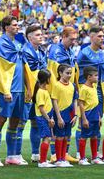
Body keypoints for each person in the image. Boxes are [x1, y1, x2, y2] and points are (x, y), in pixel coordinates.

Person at [0, 16, 27, 166]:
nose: (17, 27)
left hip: (19, 89)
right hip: (8, 90)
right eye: (14, 25)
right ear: (6, 27)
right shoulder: (1, 44)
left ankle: (11, 156)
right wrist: (5, 90)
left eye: (17, 25)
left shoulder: (18, 44)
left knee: (15, 121)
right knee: (1, 119)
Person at [47, 27, 78, 163]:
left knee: (68, 124)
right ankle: (55, 154)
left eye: (75, 39)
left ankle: (64, 153)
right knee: (58, 124)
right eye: (71, 39)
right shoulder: (56, 50)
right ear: (63, 36)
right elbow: (53, 73)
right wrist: (56, 92)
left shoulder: (69, 50)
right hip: (59, 92)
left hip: (69, 91)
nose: (73, 42)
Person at [77, 26, 104, 157]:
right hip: (87, 92)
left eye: (103, 36)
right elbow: (78, 72)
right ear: (91, 37)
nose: (102, 39)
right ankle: (80, 152)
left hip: (100, 91)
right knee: (83, 123)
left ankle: (96, 152)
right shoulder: (84, 53)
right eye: (99, 36)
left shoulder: (101, 53)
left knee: (97, 121)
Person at [19, 24, 47, 163]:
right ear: (29, 37)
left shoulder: (42, 51)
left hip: (40, 91)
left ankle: (35, 153)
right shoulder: (24, 51)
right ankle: (16, 154)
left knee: (36, 122)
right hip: (28, 91)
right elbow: (24, 73)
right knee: (21, 122)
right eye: (37, 35)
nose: (40, 36)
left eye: (41, 34)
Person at [52, 64, 78, 168]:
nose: (69, 75)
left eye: (70, 73)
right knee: (60, 136)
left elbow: (75, 100)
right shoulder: (57, 85)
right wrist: (58, 117)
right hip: (61, 114)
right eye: (67, 73)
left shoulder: (72, 85)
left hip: (70, 114)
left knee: (66, 137)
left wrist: (75, 114)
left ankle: (64, 158)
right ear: (60, 73)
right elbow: (54, 101)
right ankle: (59, 159)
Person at [77, 66, 104, 165]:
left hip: (95, 115)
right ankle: (82, 158)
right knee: (84, 136)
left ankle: (94, 157)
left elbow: (95, 103)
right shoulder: (84, 88)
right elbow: (80, 103)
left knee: (94, 136)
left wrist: (99, 117)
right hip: (87, 115)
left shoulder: (94, 86)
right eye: (96, 76)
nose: (97, 78)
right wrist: (83, 119)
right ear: (89, 77)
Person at [33, 69, 56, 168]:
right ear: (46, 79)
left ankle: (43, 159)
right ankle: (42, 162)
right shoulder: (40, 92)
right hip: (43, 118)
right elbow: (41, 108)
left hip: (46, 117)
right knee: (46, 138)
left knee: (47, 138)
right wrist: (48, 119)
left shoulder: (44, 90)